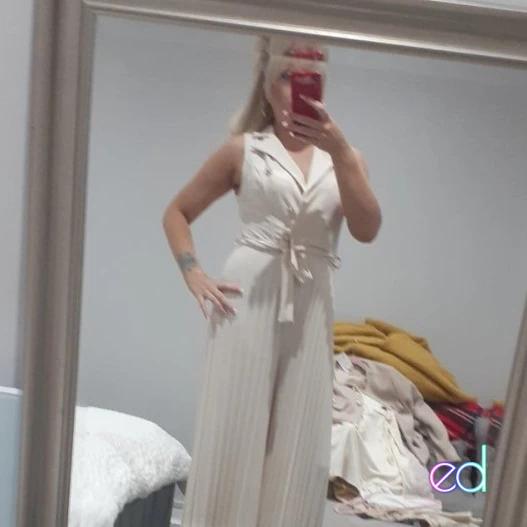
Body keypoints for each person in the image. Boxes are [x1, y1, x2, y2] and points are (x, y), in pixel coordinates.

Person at [162, 35, 382, 527]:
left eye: (310, 78)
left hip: (311, 307)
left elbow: (367, 229)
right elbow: (177, 212)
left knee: (298, 438)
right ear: (266, 85)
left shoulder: (346, 158)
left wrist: (341, 152)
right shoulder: (244, 150)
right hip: (245, 302)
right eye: (286, 77)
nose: (296, 88)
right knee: (235, 426)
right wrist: (193, 273)